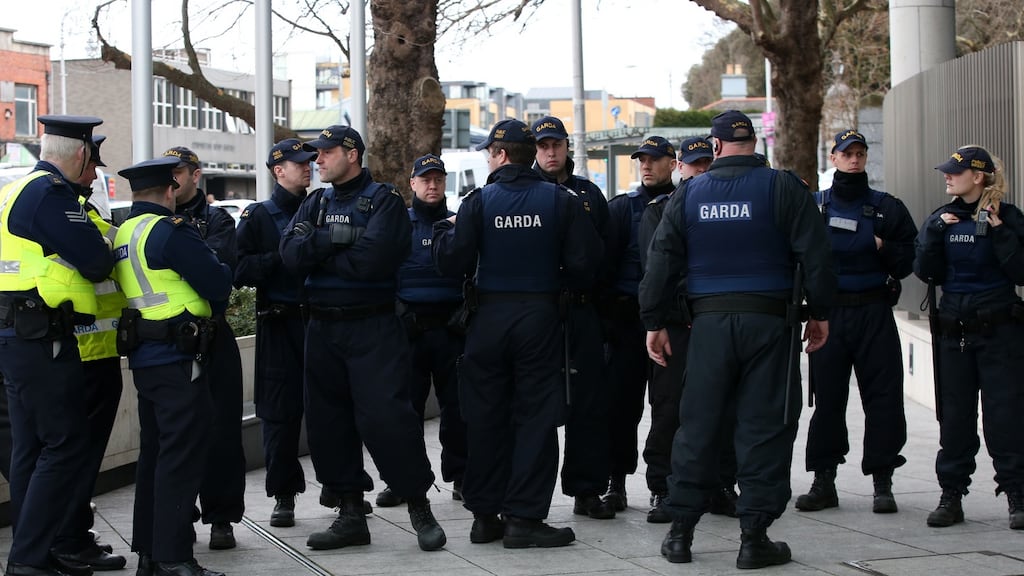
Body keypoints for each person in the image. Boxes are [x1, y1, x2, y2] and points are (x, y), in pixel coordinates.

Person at [640, 110, 835, 568]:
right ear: (753, 143)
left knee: (697, 424)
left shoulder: (689, 193)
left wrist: (654, 321)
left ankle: (680, 532)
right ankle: (753, 537)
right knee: (764, 425)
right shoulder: (785, 187)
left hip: (707, 326)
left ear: (715, 145)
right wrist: (821, 313)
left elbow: (661, 261)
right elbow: (818, 257)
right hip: (770, 323)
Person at [433, 118, 602, 548]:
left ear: (501, 155)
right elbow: (586, 265)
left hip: (487, 321)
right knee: (536, 419)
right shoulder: (561, 200)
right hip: (540, 319)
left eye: (491, 152)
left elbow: (452, 261)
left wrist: (441, 235)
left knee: (486, 417)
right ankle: (524, 517)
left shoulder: (477, 202)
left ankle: (485, 516)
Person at [279, 125, 446, 552]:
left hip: (371, 326)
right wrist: (337, 242)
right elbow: (290, 256)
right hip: (322, 327)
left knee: (389, 420)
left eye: (326, 153)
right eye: (316, 155)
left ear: (352, 154)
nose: (317, 160)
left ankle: (418, 506)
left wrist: (319, 249)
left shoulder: (385, 201)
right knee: (327, 423)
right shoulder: (316, 201)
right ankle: (350, 512)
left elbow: (373, 262)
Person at [0, 115, 114, 576]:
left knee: (31, 448)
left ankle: (36, 554)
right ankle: (30, 559)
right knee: (65, 444)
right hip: (41, 334)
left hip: (17, 333)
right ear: (83, 153)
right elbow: (95, 261)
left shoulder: (14, 188)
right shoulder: (50, 193)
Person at [112, 156, 232, 576]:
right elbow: (217, 282)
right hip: (179, 357)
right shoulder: (169, 231)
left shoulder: (125, 231)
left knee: (155, 455)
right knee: (181, 458)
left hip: (147, 356)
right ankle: (174, 557)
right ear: (170, 191)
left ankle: (149, 551)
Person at [796, 130, 917, 515]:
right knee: (828, 399)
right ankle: (824, 480)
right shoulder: (815, 206)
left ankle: (883, 480)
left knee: (883, 399)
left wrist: (882, 246)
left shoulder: (886, 207)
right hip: (830, 313)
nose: (854, 160)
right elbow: (799, 258)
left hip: (874, 312)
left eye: (860, 154)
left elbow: (908, 260)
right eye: (847, 154)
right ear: (833, 158)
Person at [914, 145, 1024, 531]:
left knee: (1006, 418)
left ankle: (1017, 494)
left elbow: (1021, 272)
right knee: (955, 419)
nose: (947, 176)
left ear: (978, 176)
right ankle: (951, 495)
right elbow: (927, 272)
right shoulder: (940, 219)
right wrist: (934, 232)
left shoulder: (1008, 218)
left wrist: (999, 232)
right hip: (954, 335)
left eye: (955, 172)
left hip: (1000, 335)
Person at [639, 136, 738, 524]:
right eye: (692, 165)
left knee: (724, 408)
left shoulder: (725, 209)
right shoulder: (661, 210)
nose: (699, 171)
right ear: (680, 167)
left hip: (716, 323)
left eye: (704, 164)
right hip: (677, 325)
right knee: (668, 410)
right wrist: (657, 322)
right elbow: (657, 271)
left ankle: (722, 485)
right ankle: (663, 488)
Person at [49, 135, 129, 572]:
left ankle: (73, 532)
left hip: (92, 350)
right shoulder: (71, 213)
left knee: (79, 454)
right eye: (92, 165)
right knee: (77, 454)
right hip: (83, 353)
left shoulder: (78, 209)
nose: (96, 174)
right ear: (77, 160)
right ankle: (70, 538)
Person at [530, 115, 615, 520]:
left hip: (581, 309)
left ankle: (586, 490)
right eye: (543, 145)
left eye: (556, 145)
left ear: (567, 148)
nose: (550, 152)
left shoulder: (588, 194)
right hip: (539, 311)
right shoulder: (519, 191)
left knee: (589, 405)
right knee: (535, 404)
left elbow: (606, 254)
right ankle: (531, 497)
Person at [375, 154, 469, 509]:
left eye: (438, 179)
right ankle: (404, 481)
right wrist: (400, 314)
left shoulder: (460, 221)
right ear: (412, 183)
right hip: (409, 330)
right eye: (425, 179)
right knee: (404, 411)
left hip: (451, 328)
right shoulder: (398, 223)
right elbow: (383, 273)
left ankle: (462, 475)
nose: (432, 186)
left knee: (459, 409)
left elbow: (472, 271)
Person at [163, 146, 245, 550]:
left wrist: (183, 261)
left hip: (214, 334)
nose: (173, 180)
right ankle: (182, 514)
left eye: (179, 172)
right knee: (177, 433)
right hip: (171, 339)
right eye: (169, 173)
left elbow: (219, 268)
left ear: (196, 175)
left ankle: (222, 518)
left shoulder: (218, 219)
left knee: (223, 430)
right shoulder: (156, 221)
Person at [234, 139, 318, 528]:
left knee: (329, 411)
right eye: (300, 164)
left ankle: (342, 489)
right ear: (277, 170)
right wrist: (281, 256)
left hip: (319, 322)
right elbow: (239, 270)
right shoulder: (258, 217)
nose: (308, 168)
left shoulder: (322, 208)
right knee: (279, 416)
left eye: (310, 162)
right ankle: (283, 495)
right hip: (280, 323)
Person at [602, 135, 678, 510]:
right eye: (641, 160)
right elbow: (604, 266)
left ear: (672, 162)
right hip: (626, 320)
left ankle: (661, 484)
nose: (646, 165)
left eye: (654, 159)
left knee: (667, 407)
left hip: (669, 321)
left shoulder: (683, 204)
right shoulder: (621, 209)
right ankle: (615, 481)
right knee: (620, 406)